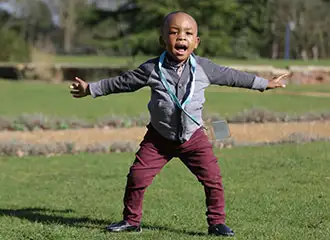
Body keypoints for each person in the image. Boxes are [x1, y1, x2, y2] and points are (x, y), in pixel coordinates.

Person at [69, 11, 289, 237]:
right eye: (174, 33)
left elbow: (233, 76)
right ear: (163, 40)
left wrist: (265, 84)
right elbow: (122, 82)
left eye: (188, 33)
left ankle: (216, 223)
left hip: (194, 138)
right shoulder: (151, 69)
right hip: (158, 139)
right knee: (137, 176)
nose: (181, 37)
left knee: (213, 179)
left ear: (196, 42)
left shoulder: (205, 68)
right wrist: (91, 89)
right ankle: (131, 220)